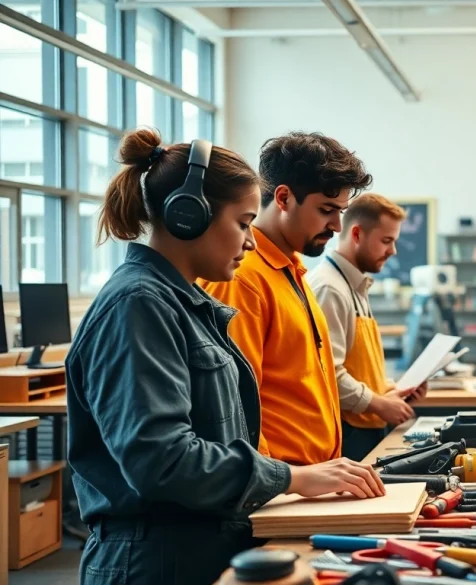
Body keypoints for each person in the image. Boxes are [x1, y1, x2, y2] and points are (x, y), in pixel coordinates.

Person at [66, 129, 385, 585]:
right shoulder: (138, 306)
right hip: (157, 558)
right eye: (243, 223)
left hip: (200, 541)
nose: (251, 241)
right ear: (188, 216)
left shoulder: (184, 304)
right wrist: (290, 478)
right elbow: (163, 461)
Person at [201, 132, 372, 465]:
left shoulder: (291, 271)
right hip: (280, 482)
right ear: (283, 198)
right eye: (327, 210)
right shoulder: (243, 279)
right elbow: (234, 405)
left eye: (341, 211)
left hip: (310, 478)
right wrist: (273, 482)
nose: (337, 225)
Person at [309, 194, 427, 462]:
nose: (393, 251)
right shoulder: (329, 288)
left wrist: (392, 392)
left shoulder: (355, 285)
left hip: (365, 426)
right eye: (386, 241)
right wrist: (379, 403)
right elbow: (329, 373)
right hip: (347, 433)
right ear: (357, 234)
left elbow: (356, 366)